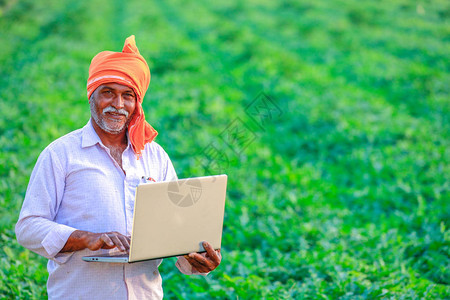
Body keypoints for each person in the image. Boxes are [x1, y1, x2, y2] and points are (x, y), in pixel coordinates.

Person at [15, 35, 221, 299]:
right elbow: (28, 227)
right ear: (92, 95)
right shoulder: (61, 154)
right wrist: (85, 237)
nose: (118, 104)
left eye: (128, 96)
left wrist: (196, 260)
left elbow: (175, 233)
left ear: (137, 104)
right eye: (108, 92)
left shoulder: (154, 157)